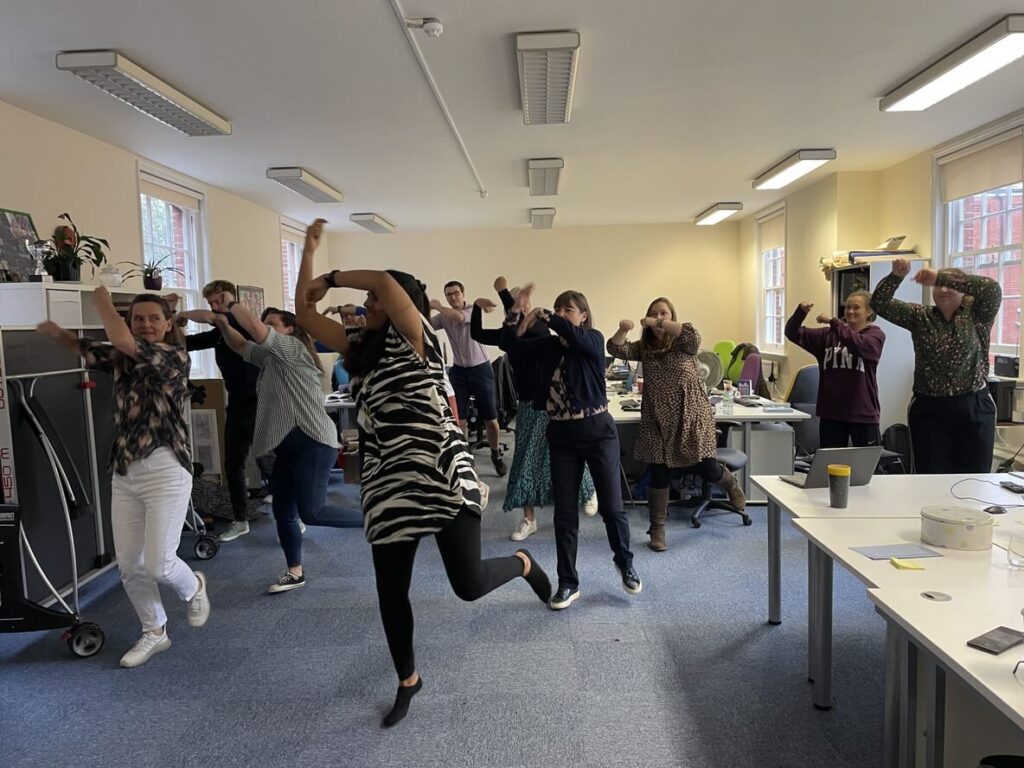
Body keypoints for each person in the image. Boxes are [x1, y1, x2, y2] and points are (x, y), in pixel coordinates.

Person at [295, 219, 551, 728]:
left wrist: (338, 273)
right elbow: (304, 312)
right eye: (368, 305)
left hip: (442, 475)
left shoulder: (420, 339)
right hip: (388, 487)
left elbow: (387, 286)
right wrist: (308, 255)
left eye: (376, 304)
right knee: (391, 592)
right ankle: (408, 679)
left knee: (469, 584)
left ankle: (522, 562)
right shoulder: (357, 352)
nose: (369, 307)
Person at [37, 288, 210, 668]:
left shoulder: (173, 356)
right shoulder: (123, 358)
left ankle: (194, 586)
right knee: (130, 565)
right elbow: (87, 348)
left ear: (167, 324)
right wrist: (54, 331)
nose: (146, 324)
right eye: (138, 319)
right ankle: (154, 631)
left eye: (153, 318)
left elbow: (118, 339)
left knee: (160, 563)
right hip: (126, 470)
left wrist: (102, 301)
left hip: (166, 467)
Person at [513, 284, 640, 609]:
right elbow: (512, 344)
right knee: (565, 515)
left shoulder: (593, 340)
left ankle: (625, 563)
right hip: (562, 437)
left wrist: (546, 316)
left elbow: (575, 335)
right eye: (558, 310)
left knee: (612, 508)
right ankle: (568, 582)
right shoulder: (551, 347)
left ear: (583, 316)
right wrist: (518, 313)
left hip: (598, 433)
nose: (560, 315)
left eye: (567, 310)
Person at [209, 300, 349, 593]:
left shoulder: (292, 349)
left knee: (313, 513)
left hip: (313, 441)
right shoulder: (271, 358)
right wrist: (222, 324)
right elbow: (240, 346)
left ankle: (383, 520)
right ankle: (294, 572)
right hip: (287, 446)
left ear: (290, 329)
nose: (267, 327)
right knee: (284, 512)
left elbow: (252, 329)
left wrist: (231, 305)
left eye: (273, 323)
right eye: (267, 322)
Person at [607, 298, 745, 552]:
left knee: (705, 466)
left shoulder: (683, 342)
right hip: (657, 416)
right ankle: (657, 528)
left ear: (671, 316)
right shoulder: (644, 347)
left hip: (690, 413)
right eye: (654, 313)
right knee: (659, 470)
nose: (658, 318)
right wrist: (623, 329)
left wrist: (658, 322)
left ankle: (729, 483)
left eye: (664, 313)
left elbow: (693, 335)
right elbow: (616, 349)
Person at [470, 276, 597, 542]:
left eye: (521, 306)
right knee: (525, 459)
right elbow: (488, 336)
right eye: (516, 307)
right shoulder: (511, 331)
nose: (519, 310)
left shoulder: (541, 328)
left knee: (567, 451)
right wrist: (481, 308)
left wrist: (506, 294)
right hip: (529, 404)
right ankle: (529, 519)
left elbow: (529, 331)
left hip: (554, 403)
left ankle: (587, 491)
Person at [871, 259, 1002, 473]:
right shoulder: (920, 316)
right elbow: (879, 303)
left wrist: (939, 276)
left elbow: (992, 288)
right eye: (938, 285)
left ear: (965, 290)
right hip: (929, 411)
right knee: (930, 479)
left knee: (974, 480)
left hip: (974, 407)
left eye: (951, 285)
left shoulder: (978, 314)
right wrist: (896, 276)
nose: (942, 289)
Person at [176, 280, 259, 542]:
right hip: (237, 403)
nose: (214, 307)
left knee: (274, 459)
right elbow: (184, 344)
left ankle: (294, 514)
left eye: (217, 301)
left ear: (229, 299)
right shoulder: (219, 334)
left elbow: (210, 317)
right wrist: (174, 327)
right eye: (210, 302)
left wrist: (178, 315)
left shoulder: (243, 324)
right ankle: (240, 519)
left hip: (264, 400)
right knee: (233, 463)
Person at [784, 291, 886, 448]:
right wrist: (800, 313)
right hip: (831, 414)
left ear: (869, 311)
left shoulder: (875, 335)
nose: (850, 311)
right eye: (848, 307)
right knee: (831, 465)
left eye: (856, 307)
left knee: (866, 467)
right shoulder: (828, 336)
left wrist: (834, 322)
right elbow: (792, 333)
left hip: (863, 414)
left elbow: (860, 345)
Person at [429, 280, 507, 476]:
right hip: (459, 372)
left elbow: (457, 317)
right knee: (459, 421)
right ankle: (464, 459)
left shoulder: (472, 310)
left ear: (463, 294)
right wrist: (421, 307)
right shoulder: (444, 317)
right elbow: (427, 325)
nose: (453, 297)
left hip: (481, 369)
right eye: (448, 294)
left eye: (456, 293)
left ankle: (495, 454)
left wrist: (437, 305)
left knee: (491, 420)